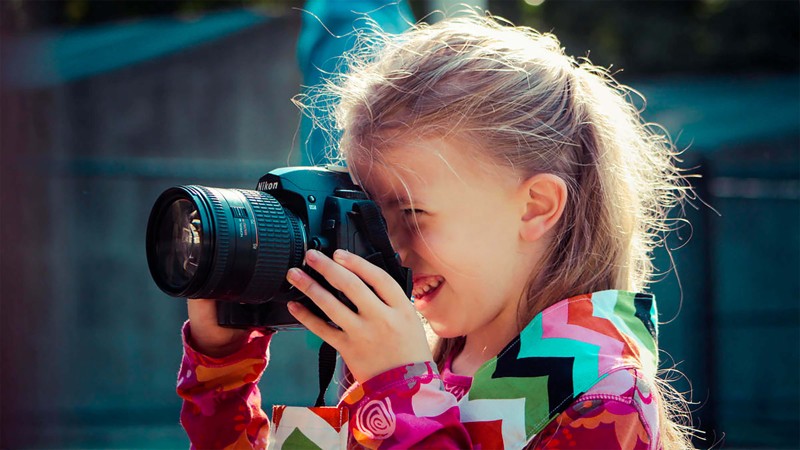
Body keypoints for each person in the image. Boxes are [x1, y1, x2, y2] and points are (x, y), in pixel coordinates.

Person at [176, 12, 696, 449]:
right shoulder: (421, 360)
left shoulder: (603, 396)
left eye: (413, 215)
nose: (390, 247)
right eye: (370, 216)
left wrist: (399, 395)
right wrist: (222, 366)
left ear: (535, 207)